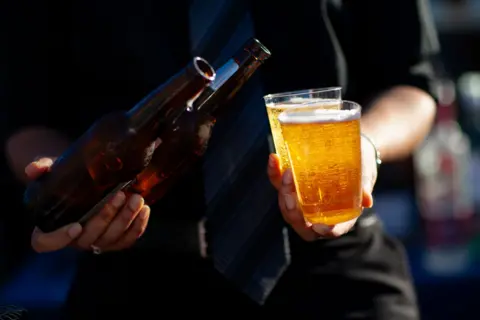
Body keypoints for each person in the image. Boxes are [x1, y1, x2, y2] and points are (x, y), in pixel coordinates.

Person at [3, 0, 439, 319]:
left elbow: (413, 87)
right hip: (138, 273)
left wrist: (362, 148)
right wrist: (70, 184)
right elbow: (25, 115)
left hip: (336, 265)